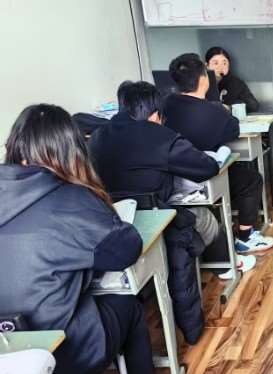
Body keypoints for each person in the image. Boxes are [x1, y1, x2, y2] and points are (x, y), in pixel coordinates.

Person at [0, 104, 174, 374]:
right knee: (127, 304)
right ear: (72, 149)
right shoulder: (70, 198)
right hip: (55, 355)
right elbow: (125, 250)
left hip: (6, 359)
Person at [89, 82, 257, 344]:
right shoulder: (159, 136)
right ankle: (226, 264)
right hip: (159, 218)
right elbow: (205, 168)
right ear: (156, 114)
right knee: (205, 218)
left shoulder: (98, 136)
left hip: (112, 223)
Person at [163, 53, 273, 254]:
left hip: (169, 182)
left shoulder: (165, 105)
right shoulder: (213, 111)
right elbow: (233, 130)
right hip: (203, 180)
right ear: (203, 79)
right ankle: (245, 237)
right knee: (251, 179)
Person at [205, 46, 260, 113]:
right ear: (207, 66)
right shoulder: (201, 82)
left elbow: (253, 105)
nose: (220, 67)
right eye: (216, 63)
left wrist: (230, 108)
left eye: (224, 63)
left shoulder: (236, 83)